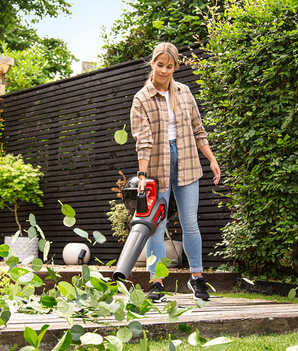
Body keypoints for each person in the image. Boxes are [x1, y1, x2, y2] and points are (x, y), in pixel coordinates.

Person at [130, 42, 221, 302]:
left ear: (175, 67)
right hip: (157, 165)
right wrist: (143, 174)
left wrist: (211, 160)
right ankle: (157, 282)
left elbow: (198, 130)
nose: (164, 71)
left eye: (169, 67)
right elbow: (143, 139)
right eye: (160, 65)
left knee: (190, 223)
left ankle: (197, 278)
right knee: (155, 226)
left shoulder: (184, 92)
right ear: (152, 64)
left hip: (188, 159)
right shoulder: (142, 98)